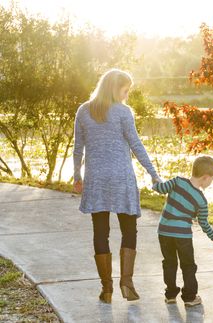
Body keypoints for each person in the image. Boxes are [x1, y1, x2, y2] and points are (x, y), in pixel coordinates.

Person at [73, 69, 160, 303]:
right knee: (129, 229)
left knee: (100, 232)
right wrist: (154, 174)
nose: (127, 94)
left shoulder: (84, 110)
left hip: (96, 179)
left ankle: (107, 289)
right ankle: (127, 283)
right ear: (115, 88)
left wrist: (76, 176)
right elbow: (136, 145)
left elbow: (77, 147)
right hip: (122, 178)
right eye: (126, 90)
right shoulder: (123, 112)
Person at [152, 156, 213, 307]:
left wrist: (154, 180)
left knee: (169, 263)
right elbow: (204, 224)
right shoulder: (201, 200)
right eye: (211, 180)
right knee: (188, 266)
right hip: (183, 236)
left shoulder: (177, 181)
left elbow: (160, 189)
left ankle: (170, 294)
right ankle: (189, 297)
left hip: (164, 232)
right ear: (205, 177)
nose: (211, 183)